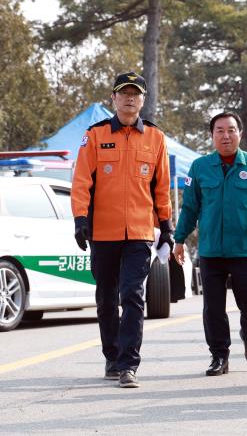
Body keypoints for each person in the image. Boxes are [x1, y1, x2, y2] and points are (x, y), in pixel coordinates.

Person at [71, 72, 173, 389]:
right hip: (103, 232)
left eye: (136, 94)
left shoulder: (156, 138)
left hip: (140, 233)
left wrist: (166, 226)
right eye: (123, 93)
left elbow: (162, 187)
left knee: (133, 295)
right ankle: (112, 355)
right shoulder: (96, 135)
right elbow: (81, 182)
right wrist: (80, 219)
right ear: (113, 99)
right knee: (105, 298)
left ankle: (128, 363)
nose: (130, 98)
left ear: (143, 100)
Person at [173, 112, 247, 377]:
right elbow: (190, 207)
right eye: (219, 130)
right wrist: (179, 239)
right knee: (213, 308)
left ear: (239, 134)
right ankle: (219, 356)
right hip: (211, 251)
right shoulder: (199, 167)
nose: (226, 135)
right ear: (212, 135)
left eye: (231, 130)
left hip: (245, 248)